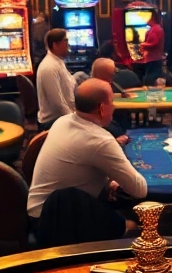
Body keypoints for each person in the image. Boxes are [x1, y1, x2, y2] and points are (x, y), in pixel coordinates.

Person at [27, 80, 146, 232]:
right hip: (55, 222)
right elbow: (139, 189)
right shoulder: (100, 140)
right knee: (134, 227)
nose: (114, 106)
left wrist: (107, 181)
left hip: (38, 210)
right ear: (102, 108)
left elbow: (78, 167)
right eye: (112, 101)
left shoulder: (62, 121)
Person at [79, 57, 130, 142]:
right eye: (112, 74)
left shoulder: (93, 86)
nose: (114, 75)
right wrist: (114, 141)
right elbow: (95, 125)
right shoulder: (93, 92)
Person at [36, 28, 76, 129]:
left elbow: (70, 85)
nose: (68, 45)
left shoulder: (58, 61)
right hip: (52, 121)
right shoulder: (49, 67)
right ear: (55, 44)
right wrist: (74, 120)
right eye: (65, 41)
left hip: (63, 116)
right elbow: (58, 103)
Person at [138, 12, 166, 83]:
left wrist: (142, 45)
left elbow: (154, 44)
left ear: (152, 18)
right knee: (152, 77)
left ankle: (151, 93)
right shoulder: (156, 28)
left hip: (153, 58)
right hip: (155, 58)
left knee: (150, 79)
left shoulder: (155, 29)